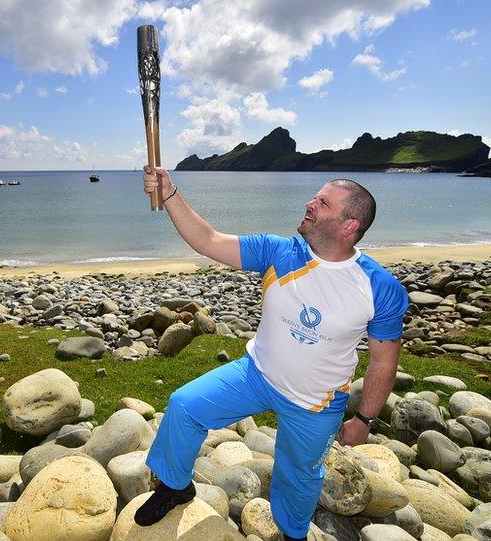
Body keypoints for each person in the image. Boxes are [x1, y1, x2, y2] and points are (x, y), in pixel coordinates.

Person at [134, 166, 409, 540]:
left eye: (323, 203)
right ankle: (175, 486)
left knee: (297, 476)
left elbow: (383, 362)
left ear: (349, 226)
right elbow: (208, 239)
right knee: (184, 406)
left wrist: (364, 419)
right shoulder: (280, 251)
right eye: (315, 197)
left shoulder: (380, 288)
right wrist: (169, 192)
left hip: (315, 402)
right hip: (256, 374)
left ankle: (292, 533)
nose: (310, 203)